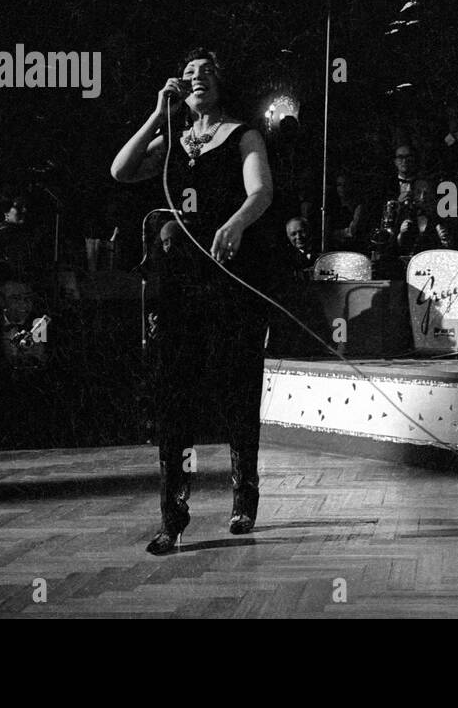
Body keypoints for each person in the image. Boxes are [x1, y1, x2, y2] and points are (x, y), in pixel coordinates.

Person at [110, 47, 274, 554]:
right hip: (178, 285)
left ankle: (243, 498)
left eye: (205, 74)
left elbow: (261, 191)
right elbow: (120, 170)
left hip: (228, 278)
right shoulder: (171, 142)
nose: (195, 79)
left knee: (236, 388)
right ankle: (172, 516)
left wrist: (237, 222)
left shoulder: (243, 135)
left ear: (221, 84)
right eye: (187, 75)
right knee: (173, 397)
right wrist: (159, 114)